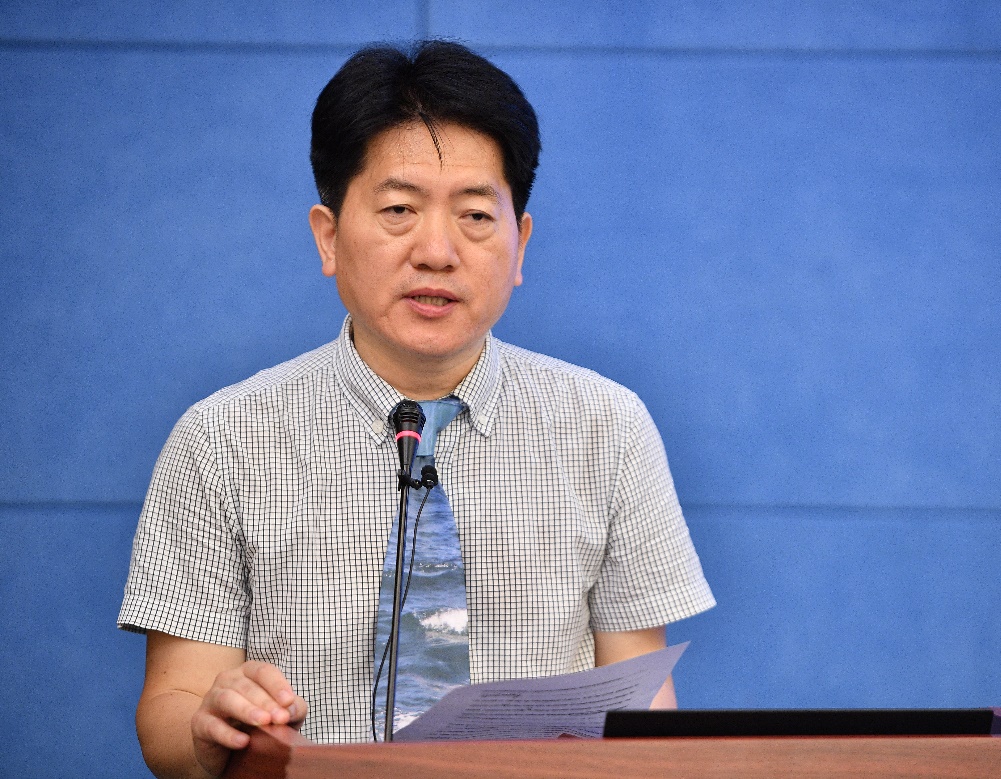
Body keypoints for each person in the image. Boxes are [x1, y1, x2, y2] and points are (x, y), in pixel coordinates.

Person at [119, 41, 714, 779]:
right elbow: (172, 706)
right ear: (329, 236)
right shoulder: (221, 440)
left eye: (475, 215)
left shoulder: (608, 427)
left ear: (520, 244)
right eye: (399, 209)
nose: (437, 251)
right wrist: (211, 723)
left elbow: (640, 696)